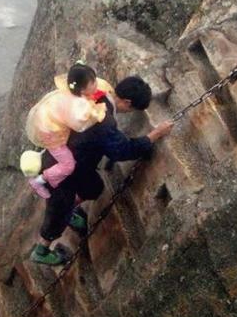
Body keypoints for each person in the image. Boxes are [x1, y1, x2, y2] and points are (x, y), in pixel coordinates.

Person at [31, 75, 174, 265]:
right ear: (127, 102)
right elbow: (123, 150)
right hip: (60, 172)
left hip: (76, 161)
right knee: (58, 212)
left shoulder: (100, 95)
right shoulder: (103, 122)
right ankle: (41, 251)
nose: (129, 112)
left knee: (94, 187)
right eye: (131, 109)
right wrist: (155, 134)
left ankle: (71, 210)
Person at [25, 62, 107, 199]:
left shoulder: (69, 90)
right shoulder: (76, 104)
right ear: (82, 90)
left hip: (46, 120)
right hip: (50, 133)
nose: (96, 84)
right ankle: (39, 181)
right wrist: (98, 112)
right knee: (68, 165)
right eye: (93, 83)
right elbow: (80, 125)